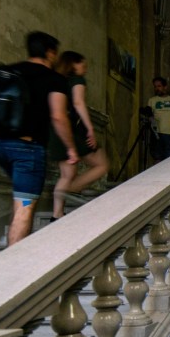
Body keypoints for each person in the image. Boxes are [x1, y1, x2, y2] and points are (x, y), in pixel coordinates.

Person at [0, 31, 78, 246]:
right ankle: (13, 269)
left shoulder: (3, 72)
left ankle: (13, 239)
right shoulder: (54, 79)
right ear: (50, 52)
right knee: (24, 208)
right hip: (26, 149)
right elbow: (58, 116)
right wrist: (71, 148)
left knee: (20, 200)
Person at [49, 51, 110, 219]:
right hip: (72, 131)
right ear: (73, 64)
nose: (85, 69)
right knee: (102, 164)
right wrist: (90, 128)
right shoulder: (77, 80)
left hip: (57, 130)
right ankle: (71, 189)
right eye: (83, 65)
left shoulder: (58, 80)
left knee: (67, 174)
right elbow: (78, 102)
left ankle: (57, 214)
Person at [147, 76, 170, 162]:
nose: (157, 88)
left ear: (165, 87)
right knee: (157, 159)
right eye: (155, 87)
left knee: (169, 160)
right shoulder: (152, 101)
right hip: (156, 134)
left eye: (159, 86)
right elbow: (149, 116)